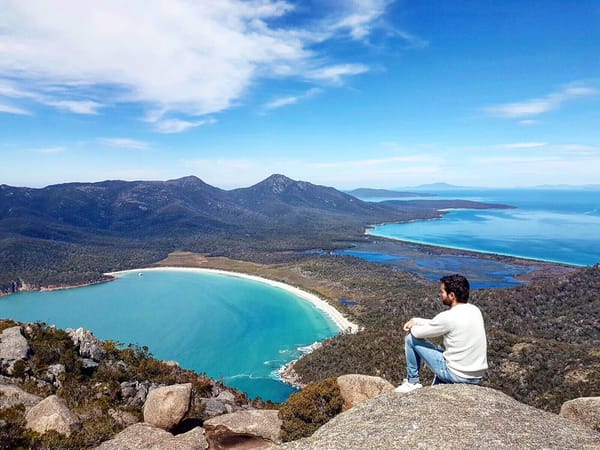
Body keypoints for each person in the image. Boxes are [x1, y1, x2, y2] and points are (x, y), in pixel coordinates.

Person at [395, 274, 488, 393]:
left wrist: (412, 326)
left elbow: (418, 333)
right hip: (476, 377)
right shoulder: (475, 310)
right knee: (441, 351)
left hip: (456, 374)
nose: (441, 295)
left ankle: (412, 382)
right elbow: (436, 324)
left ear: (452, 295)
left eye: (442, 292)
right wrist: (416, 321)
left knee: (410, 339)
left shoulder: (449, 317)